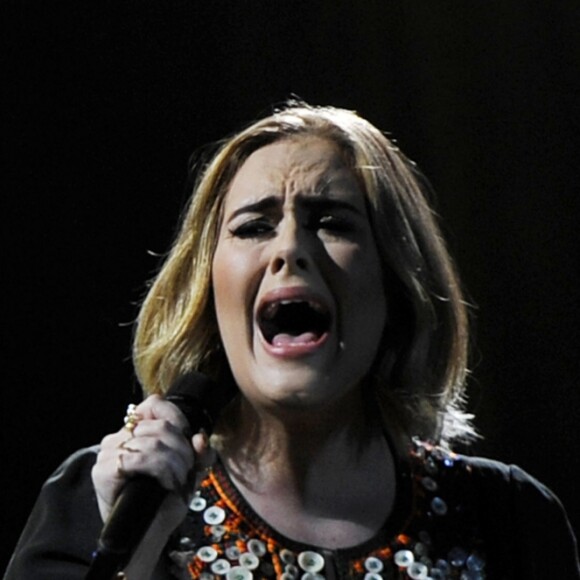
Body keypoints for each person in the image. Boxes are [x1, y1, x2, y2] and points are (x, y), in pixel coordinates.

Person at [5, 104, 579, 579]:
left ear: (396, 280)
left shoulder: (509, 520)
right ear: (209, 289)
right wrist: (138, 557)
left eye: (331, 221)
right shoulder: (102, 499)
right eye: (254, 226)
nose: (289, 249)